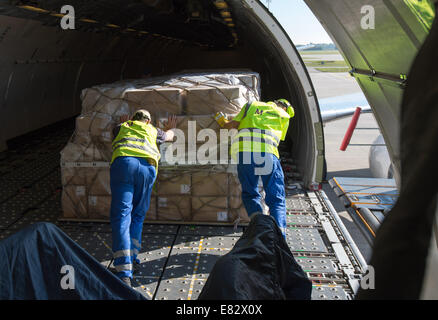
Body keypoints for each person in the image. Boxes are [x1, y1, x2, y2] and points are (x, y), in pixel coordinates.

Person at [110, 109, 176, 287]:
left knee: (122, 216)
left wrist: (123, 121)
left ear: (133, 119)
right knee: (138, 215)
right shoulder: (154, 130)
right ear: (148, 120)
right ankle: (133, 258)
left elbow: (115, 133)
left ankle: (124, 271)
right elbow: (170, 136)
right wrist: (171, 128)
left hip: (124, 165)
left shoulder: (121, 127)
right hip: (147, 169)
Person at [215, 99, 295, 237]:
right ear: (285, 109)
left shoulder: (251, 105)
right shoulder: (284, 116)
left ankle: (260, 226)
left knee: (250, 193)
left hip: (244, 153)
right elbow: (279, 138)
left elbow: (231, 125)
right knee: (276, 198)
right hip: (267, 154)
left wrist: (221, 120)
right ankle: (280, 237)